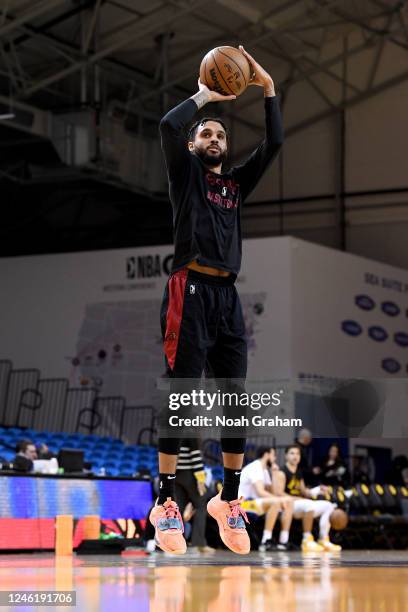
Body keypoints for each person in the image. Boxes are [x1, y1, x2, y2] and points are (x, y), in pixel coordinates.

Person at [149, 45, 283, 555]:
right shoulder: (186, 179)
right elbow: (167, 126)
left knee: (236, 398)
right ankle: (164, 502)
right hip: (190, 287)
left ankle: (228, 499)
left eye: (220, 133)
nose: (213, 136)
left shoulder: (232, 186)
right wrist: (206, 96)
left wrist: (267, 89)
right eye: (205, 132)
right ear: (193, 145)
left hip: (227, 296)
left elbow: (272, 144)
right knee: (181, 395)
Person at [274, 444, 341, 552]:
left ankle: (324, 539)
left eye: (297, 453)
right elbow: (279, 493)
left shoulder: (299, 472)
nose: (295, 456)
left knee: (328, 505)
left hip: (301, 504)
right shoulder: (281, 471)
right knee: (308, 504)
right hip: (287, 505)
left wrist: (319, 489)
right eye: (292, 453)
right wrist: (298, 499)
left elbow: (305, 492)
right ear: (286, 456)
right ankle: (307, 540)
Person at [238, 446, 294, 551]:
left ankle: (283, 541)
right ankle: (265, 541)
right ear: (266, 455)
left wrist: (274, 474)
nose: (275, 458)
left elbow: (271, 492)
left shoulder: (264, 470)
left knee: (289, 501)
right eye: (273, 455)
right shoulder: (255, 467)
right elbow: (261, 492)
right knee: (276, 502)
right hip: (243, 503)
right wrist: (279, 500)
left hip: (255, 502)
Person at [175, 439, 214, 552]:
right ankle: (199, 543)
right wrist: (201, 479)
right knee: (201, 505)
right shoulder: (189, 431)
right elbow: (195, 456)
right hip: (189, 474)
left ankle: (177, 543)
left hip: (177, 475)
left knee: (178, 509)